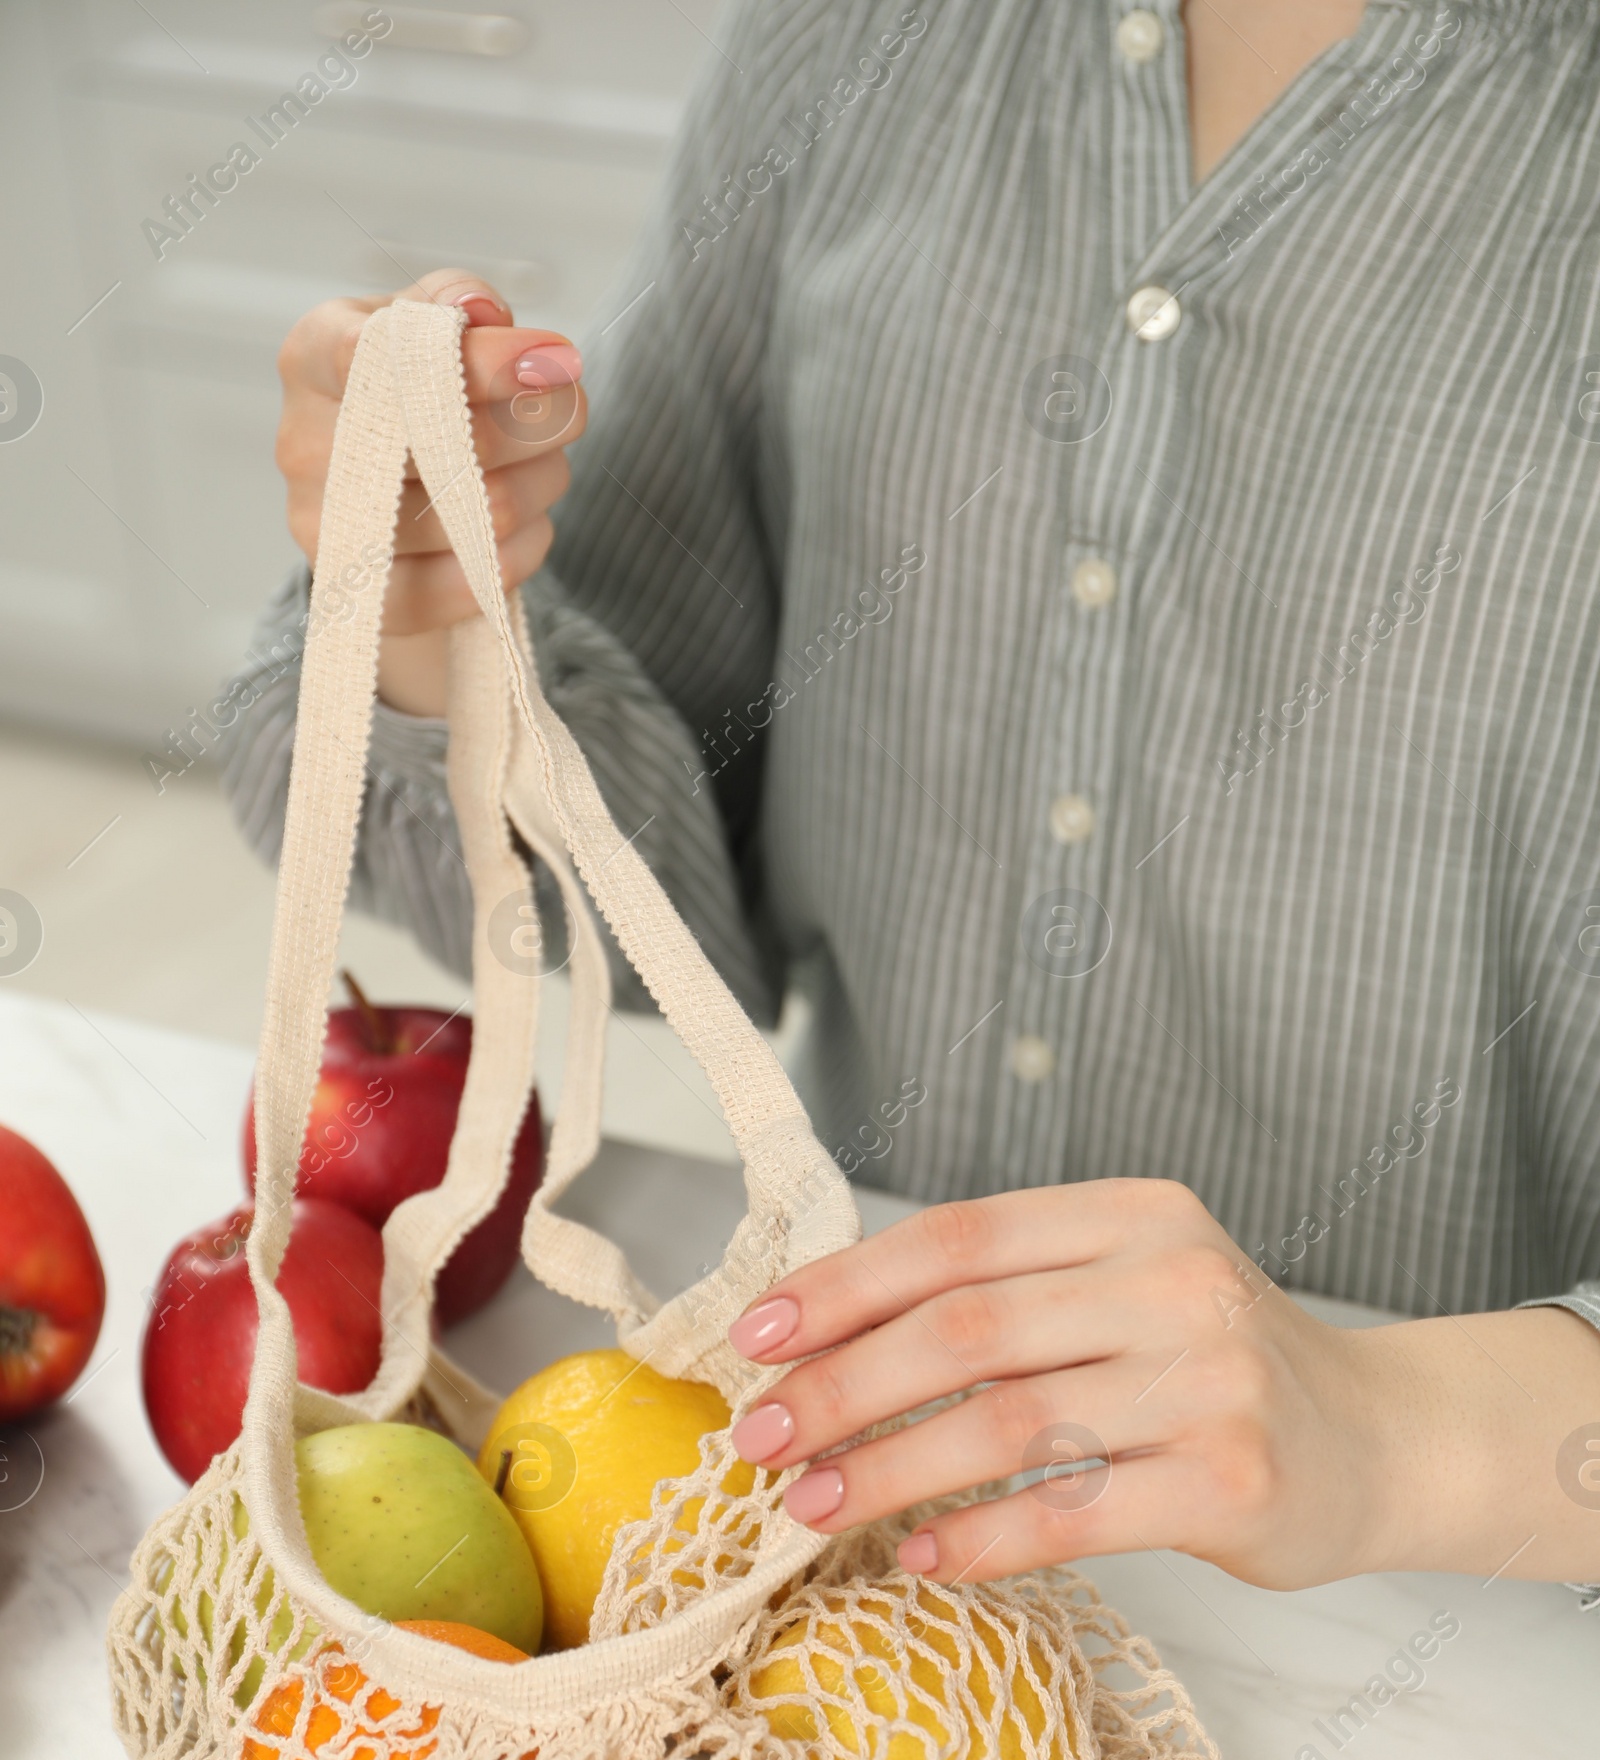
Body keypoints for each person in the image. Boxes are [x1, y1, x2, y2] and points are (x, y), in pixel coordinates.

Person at [221, 0, 1600, 1594]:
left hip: (1488, 1658)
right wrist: (437, 631)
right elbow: (662, 878)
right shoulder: (849, 34)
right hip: (877, 1559)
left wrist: (1392, 1429)